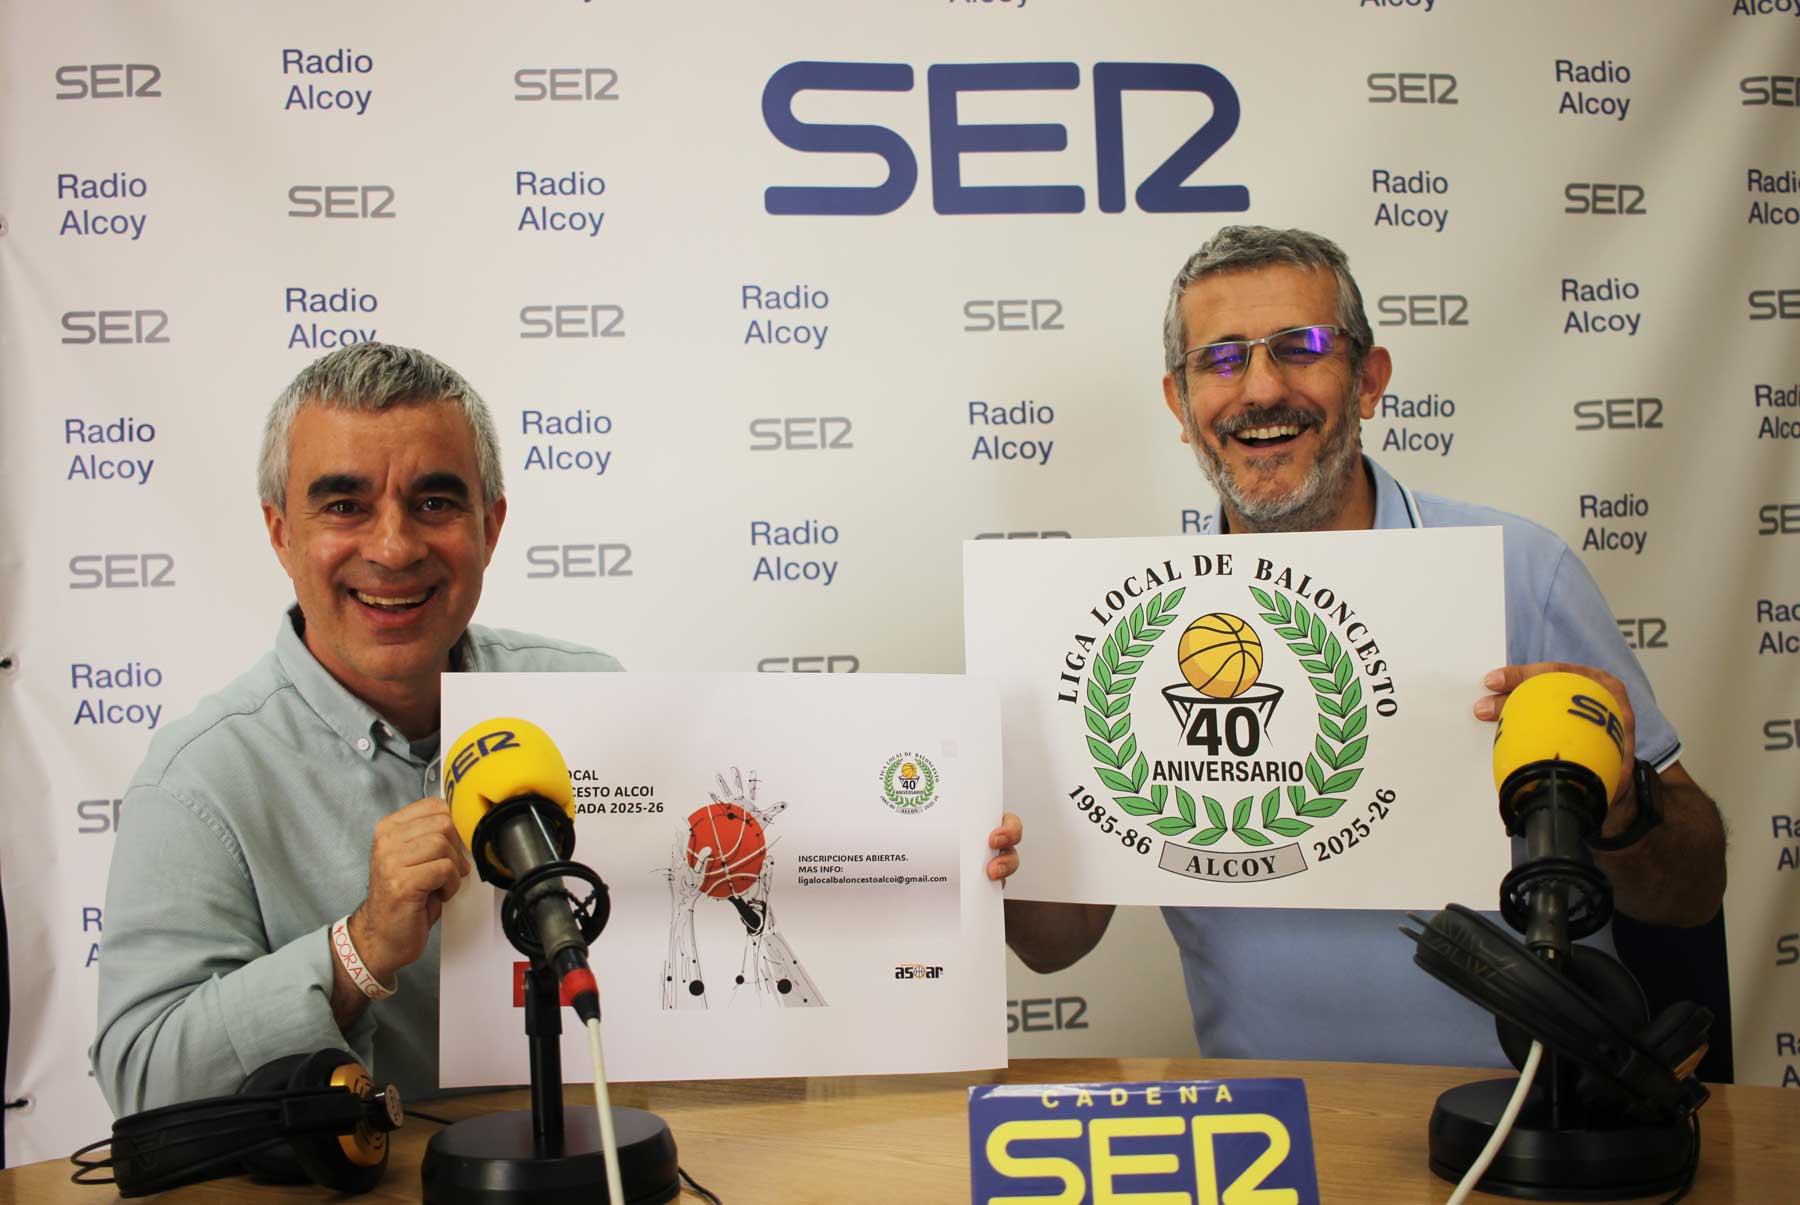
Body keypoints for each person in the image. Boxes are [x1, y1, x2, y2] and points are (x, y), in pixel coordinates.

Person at [91, 342, 1024, 1115]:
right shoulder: (199, 781)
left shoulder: (588, 698)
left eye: (436, 501)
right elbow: (138, 1076)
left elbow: (730, 878)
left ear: (491, 526)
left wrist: (937, 857)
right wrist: (354, 951)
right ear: (277, 531)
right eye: (343, 503)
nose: (393, 545)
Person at [1003, 227, 1727, 1067]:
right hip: (1274, 1148)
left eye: (1302, 347)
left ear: (1369, 380)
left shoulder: (1521, 571)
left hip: (1525, 1131)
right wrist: (1005, 843)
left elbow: (1691, 892)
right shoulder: (1122, 624)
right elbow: (1053, 946)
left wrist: (1624, 801)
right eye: (1223, 359)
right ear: (1179, 402)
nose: (1261, 389)